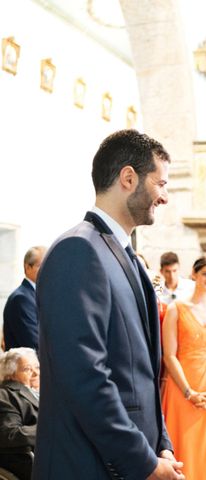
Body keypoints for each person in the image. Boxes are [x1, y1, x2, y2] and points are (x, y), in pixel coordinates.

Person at [34, 130, 183, 479]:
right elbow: (85, 376)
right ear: (128, 178)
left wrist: (160, 442)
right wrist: (142, 461)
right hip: (87, 463)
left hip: (124, 457)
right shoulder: (78, 251)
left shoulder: (122, 254)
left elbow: (141, 373)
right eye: (160, 184)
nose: (165, 197)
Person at [161, 255, 206, 480]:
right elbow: (169, 355)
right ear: (194, 274)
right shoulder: (176, 308)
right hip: (181, 388)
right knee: (182, 445)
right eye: (205, 274)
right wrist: (188, 392)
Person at [0, 348, 39, 480]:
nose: (36, 373)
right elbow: (10, 434)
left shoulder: (46, 392)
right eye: (27, 369)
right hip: (32, 460)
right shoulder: (5, 395)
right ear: (10, 375)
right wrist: (49, 429)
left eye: (37, 367)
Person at [3, 246, 46, 351]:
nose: (46, 270)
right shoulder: (21, 299)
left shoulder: (38, 294)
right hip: (26, 365)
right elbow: (33, 342)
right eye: (41, 265)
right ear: (27, 267)